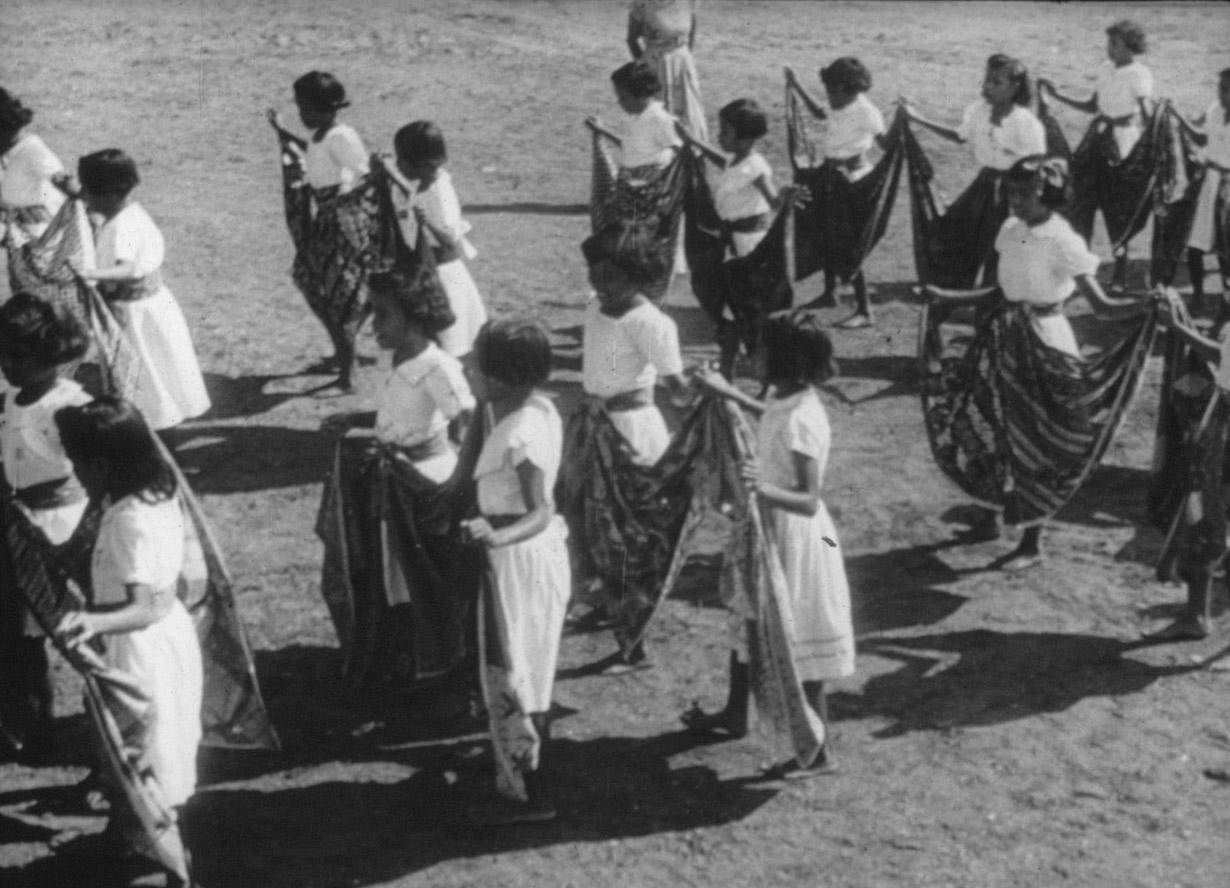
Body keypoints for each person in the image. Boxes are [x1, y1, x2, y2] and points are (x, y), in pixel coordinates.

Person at [930, 156, 1144, 566]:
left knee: (1038, 439)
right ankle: (990, 516)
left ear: (1047, 193)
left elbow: (1101, 305)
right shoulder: (1010, 230)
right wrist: (947, 296)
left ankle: (1032, 542)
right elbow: (997, 290)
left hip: (1045, 340)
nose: (1016, 201)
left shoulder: (1062, 240)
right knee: (992, 424)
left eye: (1025, 194)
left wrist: (1146, 309)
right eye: (1012, 192)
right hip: (1002, 337)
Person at [684, 311, 854, 778]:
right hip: (768, 527)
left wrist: (762, 487)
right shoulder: (785, 398)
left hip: (797, 536)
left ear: (784, 360)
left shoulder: (804, 419)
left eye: (758, 350)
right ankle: (734, 713)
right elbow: (768, 416)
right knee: (751, 616)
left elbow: (807, 498)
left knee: (793, 631)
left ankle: (817, 751)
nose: (750, 356)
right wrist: (728, 394)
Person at [55, 397, 202, 888]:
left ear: (102, 464)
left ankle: (157, 864)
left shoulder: (133, 521)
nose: (76, 474)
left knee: (145, 756)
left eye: (79, 464)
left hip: (143, 652)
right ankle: (129, 838)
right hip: (151, 643)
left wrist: (94, 624)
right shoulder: (149, 497)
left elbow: (148, 606)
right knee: (126, 749)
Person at [317, 265, 476, 689]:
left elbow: (468, 422)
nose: (373, 327)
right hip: (393, 481)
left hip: (426, 484)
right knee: (392, 571)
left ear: (416, 315)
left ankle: (436, 662)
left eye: (383, 314)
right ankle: (402, 653)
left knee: (422, 577)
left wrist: (457, 486)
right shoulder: (401, 360)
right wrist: (355, 418)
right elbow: (398, 413)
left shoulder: (439, 366)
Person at [566, 231, 694, 672]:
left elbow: (678, 391)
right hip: (593, 430)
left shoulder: (653, 324)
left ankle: (634, 642)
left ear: (638, 278)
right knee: (590, 524)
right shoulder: (592, 306)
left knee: (629, 537)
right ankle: (607, 603)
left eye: (613, 278)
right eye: (595, 274)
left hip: (632, 436)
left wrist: (705, 389)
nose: (602, 285)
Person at [464, 319, 570, 825]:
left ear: (502, 377)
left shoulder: (524, 429)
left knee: (519, 672)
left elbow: (541, 508)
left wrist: (497, 537)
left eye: (475, 363)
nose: (466, 368)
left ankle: (533, 793)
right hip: (516, 556)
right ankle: (519, 779)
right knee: (517, 669)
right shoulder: (524, 409)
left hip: (519, 558)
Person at [0, 294, 91, 762]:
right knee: (21, 638)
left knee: (77, 636)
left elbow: (100, 469)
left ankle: (104, 745)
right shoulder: (11, 399)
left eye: (20, 358)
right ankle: (33, 731)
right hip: (17, 529)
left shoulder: (72, 405)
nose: (9, 366)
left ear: (51, 356)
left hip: (61, 529)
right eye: (3, 355)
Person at [68, 149, 210, 433]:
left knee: (145, 366)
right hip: (142, 306)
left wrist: (91, 274)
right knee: (155, 364)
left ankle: (154, 422)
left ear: (106, 193)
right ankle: (156, 415)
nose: (85, 196)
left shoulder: (125, 226)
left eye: (88, 189)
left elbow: (127, 268)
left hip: (136, 310)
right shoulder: (123, 212)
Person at [904, 54, 1047, 288]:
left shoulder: (1025, 122)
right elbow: (959, 136)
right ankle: (959, 288)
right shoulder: (979, 110)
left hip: (1014, 188)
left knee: (1001, 243)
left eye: (997, 82)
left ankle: (992, 297)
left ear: (1015, 88)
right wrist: (917, 118)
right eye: (987, 80)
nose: (988, 87)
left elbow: (1039, 161)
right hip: (985, 184)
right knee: (961, 232)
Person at [269, 71, 373, 389]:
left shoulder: (342, 136)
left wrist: (342, 198)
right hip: (327, 220)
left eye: (307, 108)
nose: (303, 115)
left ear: (328, 107)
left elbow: (366, 174)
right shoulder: (323, 135)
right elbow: (313, 153)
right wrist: (282, 131)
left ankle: (348, 366)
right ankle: (347, 350)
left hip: (343, 223)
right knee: (315, 281)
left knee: (337, 291)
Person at [1040, 20, 1154, 289]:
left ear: (1130, 47)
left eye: (1114, 44)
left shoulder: (1140, 74)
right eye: (1109, 43)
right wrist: (1057, 96)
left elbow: (1147, 116)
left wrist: (1151, 148)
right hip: (1097, 140)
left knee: (1118, 210)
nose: (1109, 49)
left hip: (1123, 143)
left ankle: (1119, 275)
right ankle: (1080, 271)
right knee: (1081, 204)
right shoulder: (1105, 69)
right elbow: (1093, 105)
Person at [785, 58, 887, 326]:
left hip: (853, 180)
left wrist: (903, 121)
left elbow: (886, 144)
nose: (829, 98)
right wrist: (795, 85)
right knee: (825, 232)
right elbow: (819, 113)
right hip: (830, 175)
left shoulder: (867, 112)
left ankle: (865, 310)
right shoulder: (836, 102)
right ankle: (830, 293)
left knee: (849, 243)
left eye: (833, 92)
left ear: (849, 90)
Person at [380, 121, 488, 358]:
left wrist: (426, 221)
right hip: (426, 270)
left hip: (444, 275)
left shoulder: (440, 190)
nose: (399, 166)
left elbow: (450, 241)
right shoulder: (421, 182)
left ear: (424, 164)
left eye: (402, 162)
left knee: (450, 341)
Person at [675, 98, 803, 260]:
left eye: (725, 132)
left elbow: (774, 203)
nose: (719, 136)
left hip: (749, 242)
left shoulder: (756, 167)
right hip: (733, 237)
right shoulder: (735, 159)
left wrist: (784, 194)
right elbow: (723, 161)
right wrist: (694, 141)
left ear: (745, 138)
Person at [1174, 69, 1230, 317]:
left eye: (1227, 90)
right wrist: (1177, 115)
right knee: (1195, 244)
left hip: (1228, 186)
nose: (1222, 94)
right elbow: (1200, 135)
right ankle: (1198, 294)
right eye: (1220, 88)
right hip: (1208, 183)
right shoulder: (1216, 109)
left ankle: (1226, 302)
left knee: (1225, 247)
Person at [626, 0, 708, 143]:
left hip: (683, 66)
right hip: (655, 66)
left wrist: (685, 59)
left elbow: (692, 31)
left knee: (689, 116)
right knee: (659, 114)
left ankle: (689, 155)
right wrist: (644, 67)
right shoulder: (642, 4)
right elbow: (631, 40)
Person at [0, 88, 65, 245]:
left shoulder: (31, 147)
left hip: (43, 228)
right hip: (15, 225)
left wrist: (83, 199)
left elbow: (59, 178)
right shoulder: (5, 153)